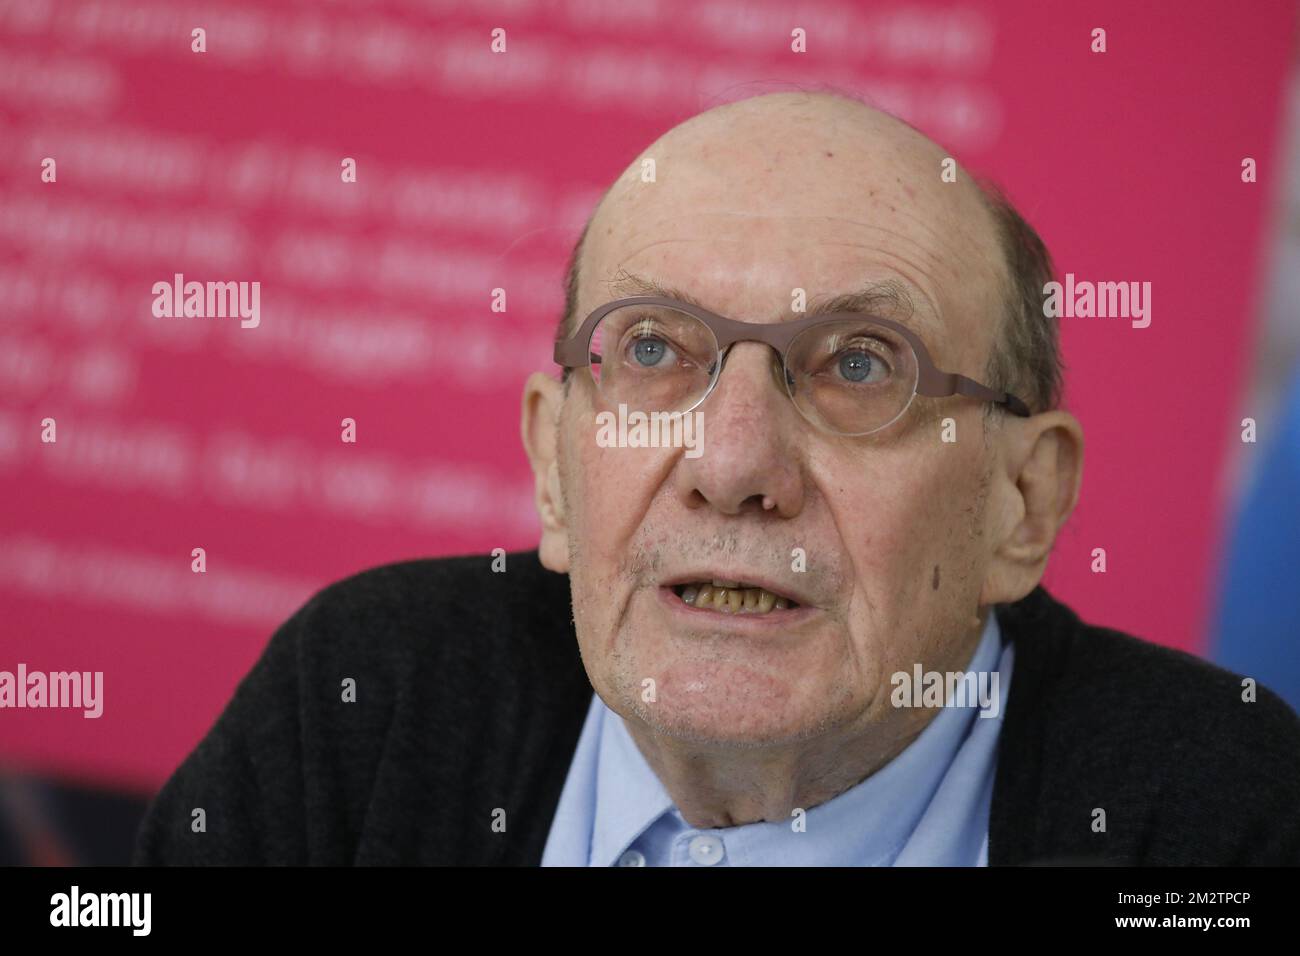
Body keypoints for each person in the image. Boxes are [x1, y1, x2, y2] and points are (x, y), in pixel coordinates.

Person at [133, 91, 1300, 867]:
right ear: (553, 460)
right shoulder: (365, 698)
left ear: (1020, 500)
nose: (734, 465)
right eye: (652, 349)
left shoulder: (1217, 822)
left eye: (856, 365)